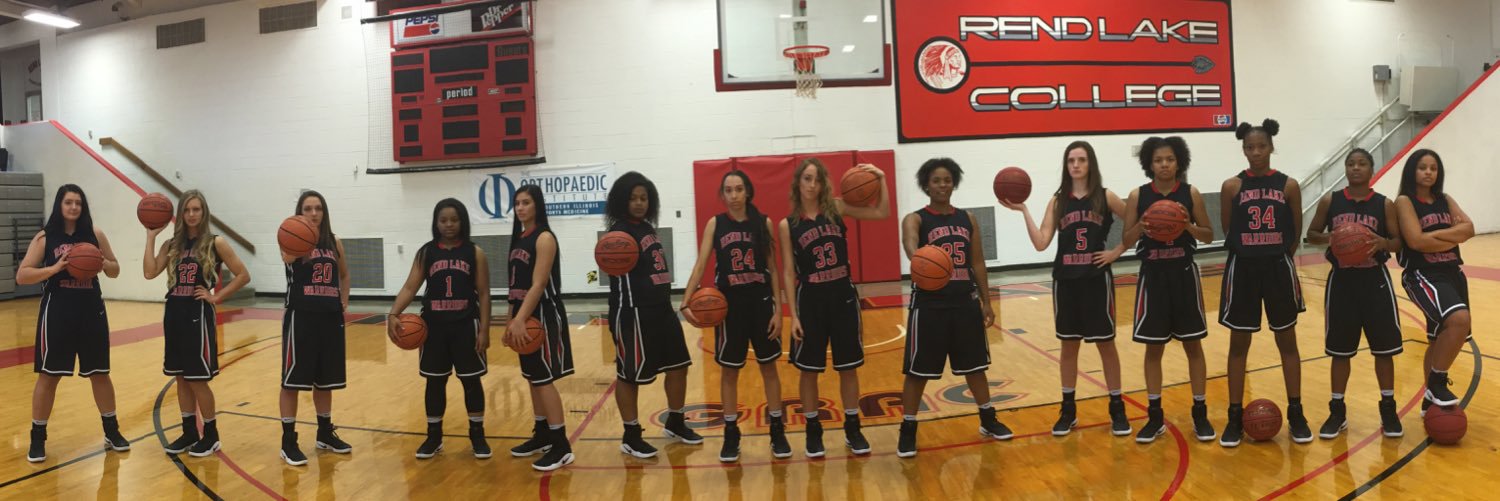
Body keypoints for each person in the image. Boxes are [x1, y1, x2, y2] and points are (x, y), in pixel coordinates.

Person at [1003, 141, 1130, 437]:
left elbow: (1136, 223)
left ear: (1090, 164)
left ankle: (1117, 408)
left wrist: (1117, 251)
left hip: (1097, 281)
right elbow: (1041, 242)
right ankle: (1068, 409)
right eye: (1071, 160)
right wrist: (1023, 210)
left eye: (1081, 160)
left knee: (1106, 346)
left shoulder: (1106, 196)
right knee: (1068, 347)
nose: (1075, 165)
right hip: (1066, 282)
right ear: (1066, 165)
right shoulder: (1058, 201)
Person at [896, 158, 1013, 459]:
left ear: (954, 183)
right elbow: (910, 247)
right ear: (926, 185)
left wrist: (987, 301)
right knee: (917, 372)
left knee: (975, 368)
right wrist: (922, 257)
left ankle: (988, 419)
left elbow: (977, 262)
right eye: (936, 180)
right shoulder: (916, 219)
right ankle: (908, 429)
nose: (942, 185)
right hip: (930, 306)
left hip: (964, 302)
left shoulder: (967, 218)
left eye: (947, 180)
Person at [779, 159, 889, 457]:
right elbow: (788, 272)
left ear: (823, 183)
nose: (812, 185)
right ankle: (813, 432)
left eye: (816, 179)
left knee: (849, 368)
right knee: (808, 371)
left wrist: (880, 178)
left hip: (842, 294)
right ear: (798, 183)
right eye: (807, 179)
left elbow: (882, 212)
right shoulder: (787, 224)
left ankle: (853, 429)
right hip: (810, 298)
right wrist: (794, 316)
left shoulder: (837, 208)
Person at [680, 170, 791, 462]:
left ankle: (777, 429)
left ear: (748, 192)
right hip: (729, 308)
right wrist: (685, 301)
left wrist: (780, 311)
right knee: (730, 372)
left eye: (739, 189)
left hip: (761, 304)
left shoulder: (763, 222)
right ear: (723, 195)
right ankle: (731, 433)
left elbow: (774, 269)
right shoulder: (715, 224)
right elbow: (701, 263)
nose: (733, 195)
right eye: (728, 190)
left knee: (769, 368)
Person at [1216, 119, 1311, 446]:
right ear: (1243, 150)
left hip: (1277, 269)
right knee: (1238, 345)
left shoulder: (1289, 185)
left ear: (1271, 147)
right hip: (1242, 269)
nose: (1255, 153)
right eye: (1249, 148)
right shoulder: (1231, 186)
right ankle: (1233, 415)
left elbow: (1295, 231)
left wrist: (1276, 251)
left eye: (1261, 146)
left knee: (1287, 342)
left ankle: (1296, 413)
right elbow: (1228, 229)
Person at [19, 185, 127, 462]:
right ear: (60, 205)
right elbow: (23, 275)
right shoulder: (46, 237)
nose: (74, 207)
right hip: (58, 311)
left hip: (91, 309)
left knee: (99, 373)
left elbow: (115, 269)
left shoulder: (95, 235)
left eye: (78, 202)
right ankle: (37, 437)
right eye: (68, 202)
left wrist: (102, 263)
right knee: (49, 376)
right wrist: (53, 269)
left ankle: (111, 430)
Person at [1122, 137, 1217, 443]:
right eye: (1158, 160)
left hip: (1184, 275)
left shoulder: (1190, 193)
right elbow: (1126, 239)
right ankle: (1154, 416)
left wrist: (1186, 224)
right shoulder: (1138, 195)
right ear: (1149, 164)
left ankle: (1200, 413)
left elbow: (1208, 235)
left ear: (1179, 163)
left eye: (1170, 159)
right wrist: (1144, 224)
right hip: (1153, 276)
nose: (1164, 165)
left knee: (1193, 346)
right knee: (1154, 348)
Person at [144, 190, 252, 457]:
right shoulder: (171, 245)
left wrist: (216, 297)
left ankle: (212, 435)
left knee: (197, 379)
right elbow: (148, 272)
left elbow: (243, 275)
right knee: (181, 377)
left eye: (196, 210)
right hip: (174, 313)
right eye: (187, 210)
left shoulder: (216, 242)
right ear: (180, 214)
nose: (192, 215)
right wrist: (150, 237)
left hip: (197, 316)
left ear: (204, 213)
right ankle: (189, 432)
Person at [1305, 148, 1405, 439]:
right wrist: (1332, 237)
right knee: (1340, 352)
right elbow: (1311, 235)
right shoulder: (1331, 200)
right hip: (1342, 283)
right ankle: (1337, 411)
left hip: (1375, 280)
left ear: (1371, 169)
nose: (1356, 168)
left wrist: (1381, 242)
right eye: (1351, 164)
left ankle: (1388, 408)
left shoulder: (1384, 204)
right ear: (1346, 169)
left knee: (1384, 351)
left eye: (1362, 164)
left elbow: (1398, 242)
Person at [386, 198, 493, 459]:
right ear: (436, 222)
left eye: (454, 220)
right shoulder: (427, 252)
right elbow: (411, 287)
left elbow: (485, 293)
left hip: (466, 326)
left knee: (471, 382)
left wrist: (485, 329)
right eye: (443, 220)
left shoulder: (474, 252)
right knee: (435, 383)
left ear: (462, 222)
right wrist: (393, 313)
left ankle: (477, 435)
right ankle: (434, 437)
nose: (448, 225)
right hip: (433, 329)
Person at [604, 172, 701, 459]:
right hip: (632, 313)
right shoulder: (617, 235)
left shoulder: (647, 228)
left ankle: (675, 420)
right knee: (630, 375)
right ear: (622, 200)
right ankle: (631, 435)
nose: (639, 203)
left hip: (661, 309)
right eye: (633, 198)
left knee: (679, 365)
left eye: (644, 198)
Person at [1392, 149, 1474, 416]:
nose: (1428, 172)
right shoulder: (1404, 201)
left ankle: (1429, 398)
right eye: (1422, 167)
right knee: (1459, 319)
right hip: (1422, 274)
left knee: (1438, 339)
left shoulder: (1445, 199)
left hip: (1452, 272)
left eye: (1433, 168)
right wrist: (1452, 235)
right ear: (1412, 171)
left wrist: (1434, 236)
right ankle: (1437, 382)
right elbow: (1416, 242)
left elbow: (1469, 229)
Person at [501, 185, 576, 471]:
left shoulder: (544, 237)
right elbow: (514, 287)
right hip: (523, 315)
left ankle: (561, 445)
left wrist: (520, 319)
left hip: (543, 314)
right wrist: (510, 320)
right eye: (517, 203)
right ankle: (542, 433)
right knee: (532, 377)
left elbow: (538, 284)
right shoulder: (519, 238)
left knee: (543, 379)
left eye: (526, 202)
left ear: (537, 205)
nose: (520, 208)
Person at [277, 191, 354, 465]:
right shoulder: (291, 238)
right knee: (292, 382)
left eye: (318, 208)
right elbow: (287, 257)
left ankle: (324, 433)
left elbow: (344, 275)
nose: (313, 213)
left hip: (329, 317)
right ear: (299, 212)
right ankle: (288, 441)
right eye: (307, 208)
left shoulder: (334, 242)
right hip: (301, 316)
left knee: (325, 380)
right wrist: (302, 238)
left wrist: (343, 300)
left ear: (324, 212)